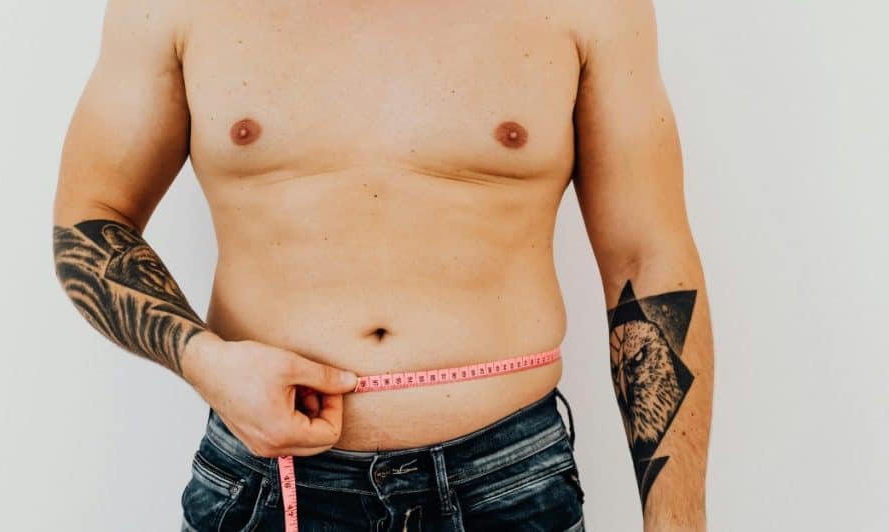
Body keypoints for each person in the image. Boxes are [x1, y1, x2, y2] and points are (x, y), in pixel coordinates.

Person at [52, 1, 714, 530]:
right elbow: (91, 217)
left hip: (507, 483)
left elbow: (646, 259)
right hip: (266, 479)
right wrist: (206, 362)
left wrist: (678, 523)